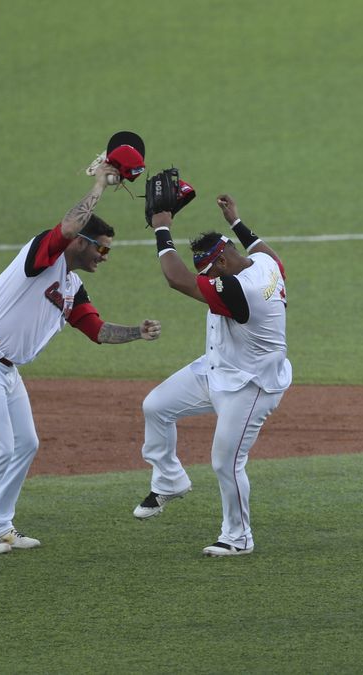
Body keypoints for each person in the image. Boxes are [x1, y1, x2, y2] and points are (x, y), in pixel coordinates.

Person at [0, 162, 160, 554]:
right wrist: (100, 183)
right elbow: (65, 227)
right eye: (102, 247)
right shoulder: (42, 257)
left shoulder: (71, 285)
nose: (105, 256)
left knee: (25, 444)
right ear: (81, 241)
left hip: (6, 369)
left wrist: (136, 333)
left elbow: (96, 331)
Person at [136, 194, 290, 557]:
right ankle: (170, 480)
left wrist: (162, 227)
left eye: (208, 273)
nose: (205, 282)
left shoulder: (242, 288)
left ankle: (238, 537)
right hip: (217, 368)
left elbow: (177, 280)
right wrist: (237, 221)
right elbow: (267, 250)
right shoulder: (264, 264)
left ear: (221, 261)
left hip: (251, 386)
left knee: (225, 461)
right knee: (155, 406)